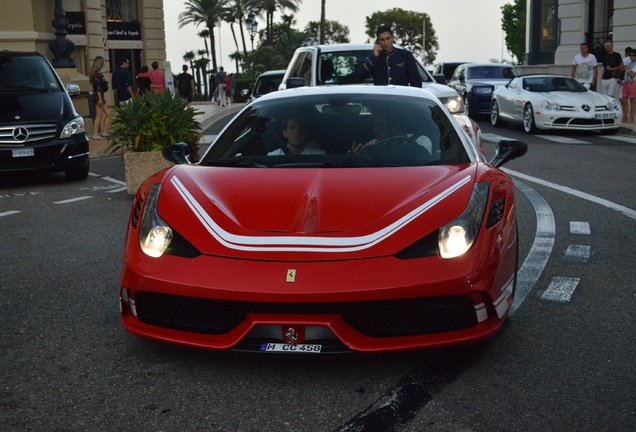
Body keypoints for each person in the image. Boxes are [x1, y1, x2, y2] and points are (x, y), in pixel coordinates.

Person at [356, 25, 422, 87]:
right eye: (382, 40)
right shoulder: (375, 59)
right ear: (378, 42)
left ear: (393, 38)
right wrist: (374, 57)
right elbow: (359, 75)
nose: (386, 43)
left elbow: (416, 83)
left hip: (401, 96)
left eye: (388, 38)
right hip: (382, 97)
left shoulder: (406, 55)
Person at [88, 56, 111, 140]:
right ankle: (95, 134)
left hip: (99, 96)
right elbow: (98, 87)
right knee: (99, 115)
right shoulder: (97, 74)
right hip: (99, 97)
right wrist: (100, 98)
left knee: (108, 113)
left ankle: (104, 132)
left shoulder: (95, 74)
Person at [621, 49, 636, 123]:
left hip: (632, 82)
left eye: (633, 55)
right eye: (630, 55)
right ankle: (625, 115)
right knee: (624, 99)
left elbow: (632, 75)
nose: (631, 57)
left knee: (632, 100)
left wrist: (627, 69)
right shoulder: (630, 63)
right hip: (626, 82)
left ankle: (631, 117)